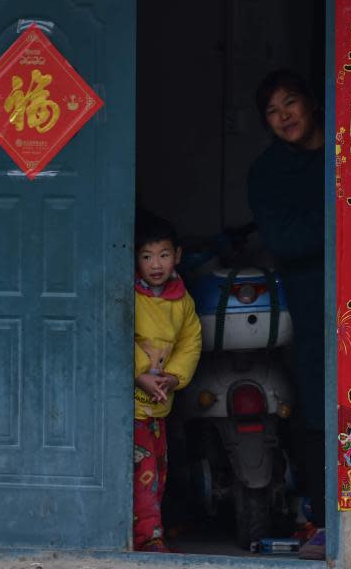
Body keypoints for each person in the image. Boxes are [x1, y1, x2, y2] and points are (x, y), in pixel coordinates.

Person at [247, 69, 327, 532]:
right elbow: (284, 238)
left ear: (312, 102)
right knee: (315, 399)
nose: (283, 117)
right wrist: (344, 216)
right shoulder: (268, 171)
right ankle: (320, 521)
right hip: (311, 296)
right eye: (272, 112)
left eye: (290, 103)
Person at [132, 211, 202, 552]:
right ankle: (147, 538)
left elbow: (191, 342)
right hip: (129, 404)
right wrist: (140, 372)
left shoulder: (182, 300)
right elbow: (116, 334)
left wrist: (174, 377)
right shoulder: (128, 295)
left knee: (156, 471)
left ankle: (150, 531)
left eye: (162, 254)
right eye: (146, 256)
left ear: (177, 255)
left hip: (159, 404)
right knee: (140, 472)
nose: (155, 264)